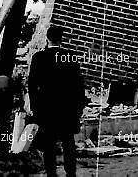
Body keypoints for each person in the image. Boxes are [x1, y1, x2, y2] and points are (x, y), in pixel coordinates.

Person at [28, 25, 85, 177]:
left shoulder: (38, 57)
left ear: (47, 39)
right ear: (62, 39)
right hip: (67, 107)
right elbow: (79, 84)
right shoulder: (70, 57)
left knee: (48, 143)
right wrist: (79, 106)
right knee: (68, 142)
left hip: (46, 108)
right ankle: (70, 173)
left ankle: (51, 173)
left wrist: (34, 106)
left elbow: (32, 85)